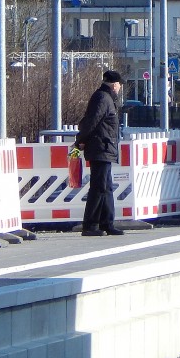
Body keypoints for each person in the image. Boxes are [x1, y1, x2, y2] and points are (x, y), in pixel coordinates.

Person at [76, 70, 125, 236]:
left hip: (104, 147)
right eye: (119, 85)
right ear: (114, 84)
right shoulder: (103, 98)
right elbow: (91, 121)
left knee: (106, 187)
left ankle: (107, 223)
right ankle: (90, 225)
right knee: (99, 187)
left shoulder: (105, 98)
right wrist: (80, 140)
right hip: (100, 147)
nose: (120, 88)